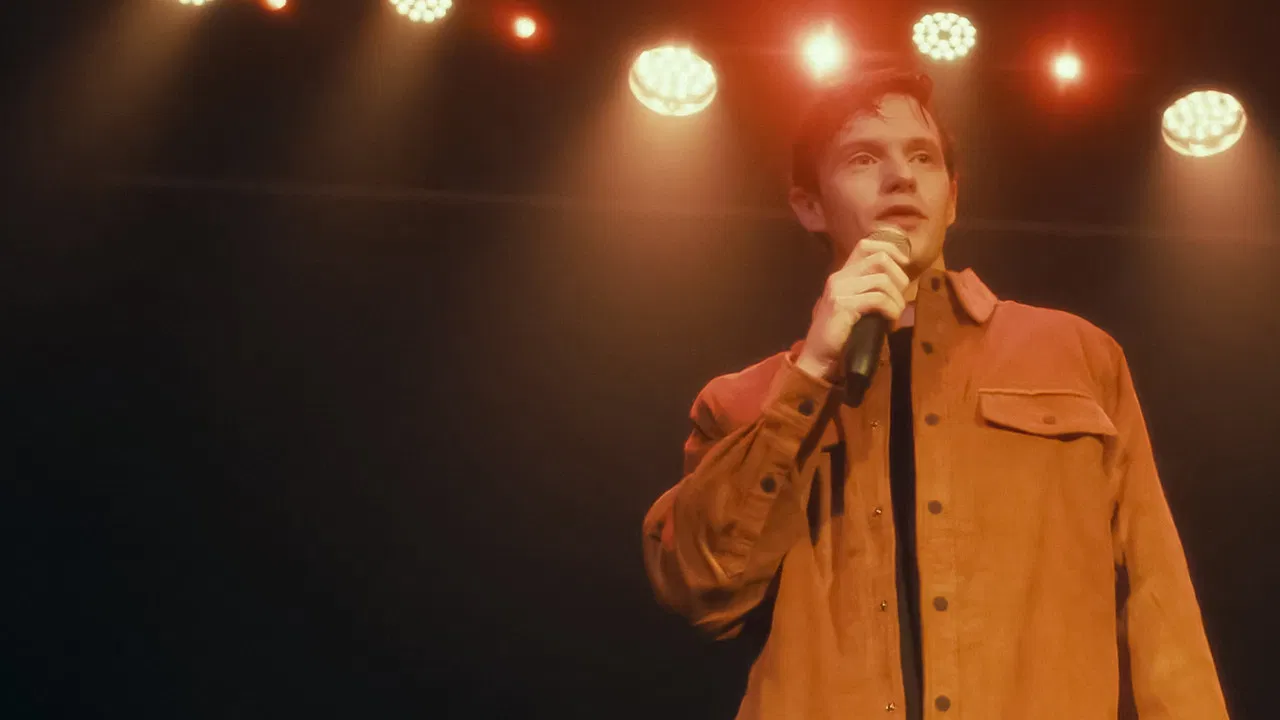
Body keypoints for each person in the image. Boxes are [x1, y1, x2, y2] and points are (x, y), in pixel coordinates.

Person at [641, 68, 1229, 720]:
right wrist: (811, 375)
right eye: (863, 158)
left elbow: (1157, 594)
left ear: (951, 198)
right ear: (809, 206)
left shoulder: (1076, 357)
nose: (901, 177)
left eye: (922, 157)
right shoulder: (744, 401)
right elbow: (700, 586)